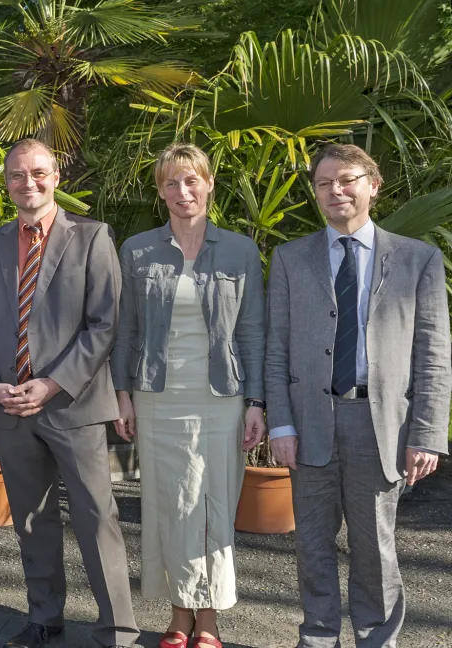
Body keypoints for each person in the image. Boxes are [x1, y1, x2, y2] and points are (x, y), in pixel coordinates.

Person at [265, 143, 451, 647]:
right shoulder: (289, 259)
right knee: (312, 545)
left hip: (381, 425)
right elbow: (276, 349)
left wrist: (428, 435)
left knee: (376, 548)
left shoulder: (418, 260)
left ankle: (376, 639)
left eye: (346, 180)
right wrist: (280, 423)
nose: (336, 191)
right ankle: (318, 637)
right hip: (309, 424)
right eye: (324, 183)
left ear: (373, 184)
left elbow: (434, 356)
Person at [0, 139, 139, 648]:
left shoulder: (92, 237)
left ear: (56, 177)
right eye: (17, 175)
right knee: (32, 520)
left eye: (37, 173)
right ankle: (45, 617)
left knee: (97, 518)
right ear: (7, 182)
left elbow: (105, 325)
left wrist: (54, 381)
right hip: (10, 408)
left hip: (72, 405)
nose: (28, 183)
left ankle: (118, 632)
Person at [109, 144, 266, 648]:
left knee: (214, 504)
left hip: (222, 397)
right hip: (157, 396)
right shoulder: (137, 250)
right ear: (160, 191)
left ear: (209, 183)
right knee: (170, 507)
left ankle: (211, 620)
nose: (183, 192)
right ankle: (179, 615)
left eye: (192, 181)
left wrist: (258, 403)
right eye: (172, 183)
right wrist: (122, 394)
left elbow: (253, 332)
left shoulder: (240, 250)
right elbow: (124, 329)